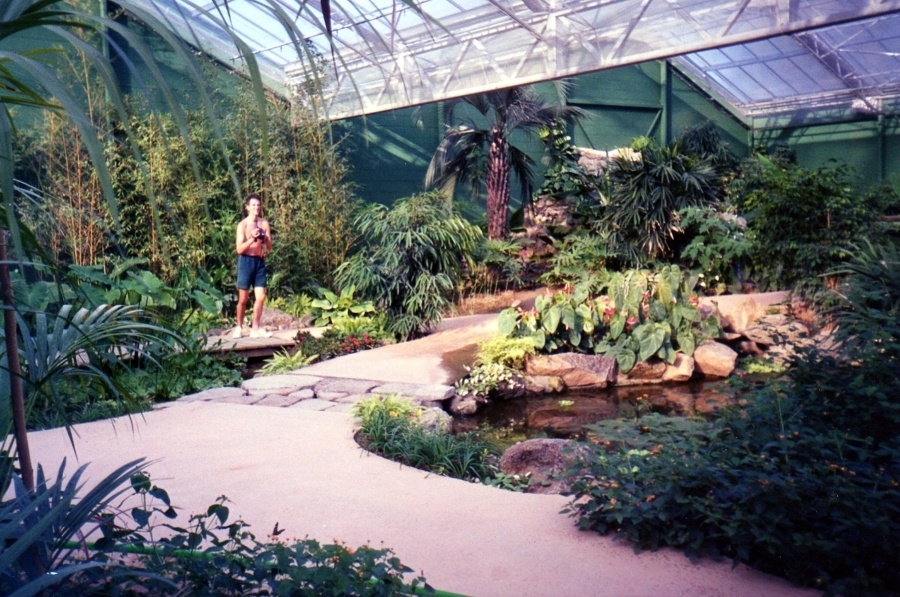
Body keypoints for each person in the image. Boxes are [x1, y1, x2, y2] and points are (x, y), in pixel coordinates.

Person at [233, 193, 273, 338]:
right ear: (247, 207)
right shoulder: (243, 225)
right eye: (253, 205)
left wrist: (265, 238)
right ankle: (239, 326)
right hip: (245, 261)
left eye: (258, 205)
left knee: (261, 297)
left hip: (259, 261)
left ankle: (255, 327)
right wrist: (252, 238)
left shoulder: (264, 223)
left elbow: (269, 248)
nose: (256, 208)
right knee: (243, 298)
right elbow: (239, 249)